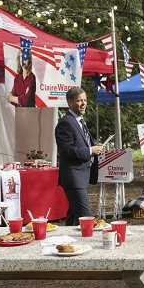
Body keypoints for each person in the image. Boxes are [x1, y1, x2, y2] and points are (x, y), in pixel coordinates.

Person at [55, 87, 104, 225]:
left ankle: (67, 242)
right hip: (73, 178)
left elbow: (80, 144)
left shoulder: (80, 121)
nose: (83, 103)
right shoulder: (65, 122)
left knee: (73, 217)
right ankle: (90, 244)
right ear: (70, 102)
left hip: (82, 177)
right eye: (79, 100)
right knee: (87, 218)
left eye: (85, 100)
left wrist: (95, 148)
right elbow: (66, 150)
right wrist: (90, 151)